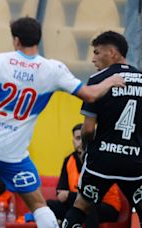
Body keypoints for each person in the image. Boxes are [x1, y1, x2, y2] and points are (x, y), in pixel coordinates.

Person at [0, 17, 125, 228]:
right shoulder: (53, 69)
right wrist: (110, 79)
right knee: (38, 203)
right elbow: (90, 95)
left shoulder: (0, 61)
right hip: (12, 152)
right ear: (38, 39)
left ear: (16, 40)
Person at [61, 31, 142, 227]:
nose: (93, 58)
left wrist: (86, 150)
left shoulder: (98, 80)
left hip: (102, 161)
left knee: (80, 208)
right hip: (135, 161)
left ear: (113, 53)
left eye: (97, 53)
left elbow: (88, 130)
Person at [47, 123, 120, 227]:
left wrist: (69, 195)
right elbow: (61, 192)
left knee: (87, 205)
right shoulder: (69, 160)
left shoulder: (100, 157)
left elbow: (95, 195)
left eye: (84, 138)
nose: (81, 142)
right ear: (73, 141)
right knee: (48, 205)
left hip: (106, 206)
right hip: (77, 203)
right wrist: (66, 196)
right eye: (77, 138)